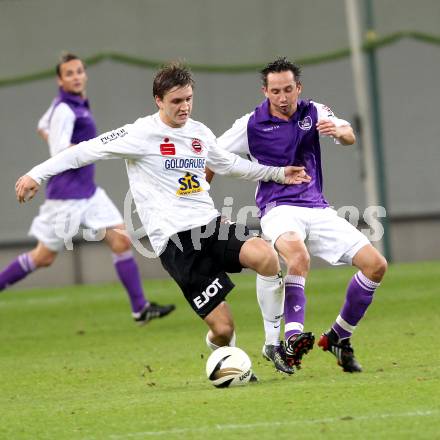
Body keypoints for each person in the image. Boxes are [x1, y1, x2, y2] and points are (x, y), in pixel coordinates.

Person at [15, 62, 311, 377]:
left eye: (188, 99)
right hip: (175, 243)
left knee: (265, 256)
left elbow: (231, 164)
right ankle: (229, 356)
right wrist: (36, 174)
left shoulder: (199, 133)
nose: (184, 107)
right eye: (176, 101)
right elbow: (83, 152)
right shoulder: (139, 134)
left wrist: (279, 173)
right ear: (158, 100)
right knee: (223, 329)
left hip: (210, 226)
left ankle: (271, 344)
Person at [215, 57, 388, 373]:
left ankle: (338, 336)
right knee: (299, 256)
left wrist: (338, 129)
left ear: (299, 88)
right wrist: (204, 205)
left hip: (318, 208)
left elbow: (348, 135)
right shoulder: (250, 124)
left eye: (288, 90)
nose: (283, 98)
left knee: (376, 266)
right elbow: (210, 157)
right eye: (276, 91)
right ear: (265, 91)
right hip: (277, 209)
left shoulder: (314, 111)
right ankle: (292, 338)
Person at [1, 53, 175, 325]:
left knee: (121, 239)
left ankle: (140, 308)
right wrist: (84, 150)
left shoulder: (75, 104)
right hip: (66, 197)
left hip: (89, 192)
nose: (76, 76)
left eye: (79, 71)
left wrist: (67, 144)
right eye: (69, 73)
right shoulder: (65, 109)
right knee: (43, 257)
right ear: (60, 80)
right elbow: (60, 149)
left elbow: (42, 127)